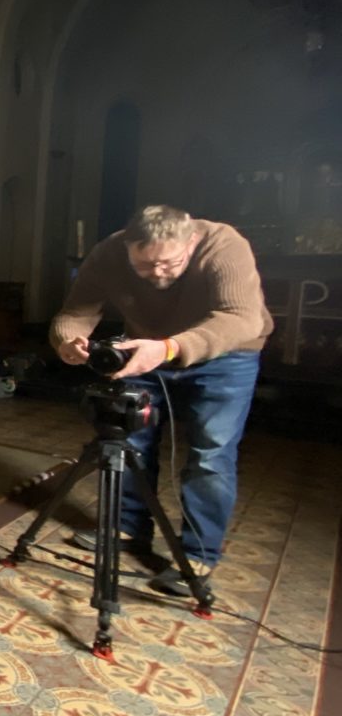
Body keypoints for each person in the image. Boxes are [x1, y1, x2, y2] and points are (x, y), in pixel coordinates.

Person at [50, 205, 272, 595]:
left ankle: (198, 554)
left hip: (227, 354)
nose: (157, 273)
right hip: (146, 350)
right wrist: (68, 341)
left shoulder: (223, 244)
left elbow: (242, 318)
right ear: (127, 247)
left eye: (169, 263)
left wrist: (169, 347)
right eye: (144, 265)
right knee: (130, 441)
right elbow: (76, 311)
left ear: (192, 241)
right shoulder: (108, 252)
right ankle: (128, 527)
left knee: (211, 453)